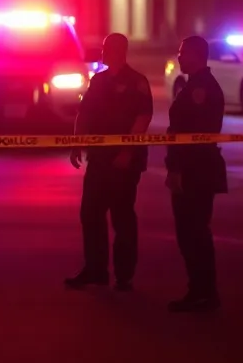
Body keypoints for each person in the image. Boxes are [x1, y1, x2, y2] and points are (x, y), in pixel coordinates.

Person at [66, 33, 154, 291]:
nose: (102, 52)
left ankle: (124, 275)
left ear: (118, 50)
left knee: (122, 217)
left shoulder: (137, 82)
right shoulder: (99, 80)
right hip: (100, 159)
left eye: (106, 48)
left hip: (124, 162)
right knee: (90, 213)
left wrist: (127, 151)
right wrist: (76, 143)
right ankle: (95, 269)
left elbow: (143, 117)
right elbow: (84, 113)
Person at [165, 35, 226, 312]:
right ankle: (200, 290)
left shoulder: (202, 89)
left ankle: (203, 292)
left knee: (194, 232)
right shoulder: (194, 86)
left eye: (183, 53)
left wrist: (177, 170)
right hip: (193, 169)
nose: (179, 58)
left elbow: (188, 136)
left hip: (196, 171)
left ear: (197, 55)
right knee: (189, 232)